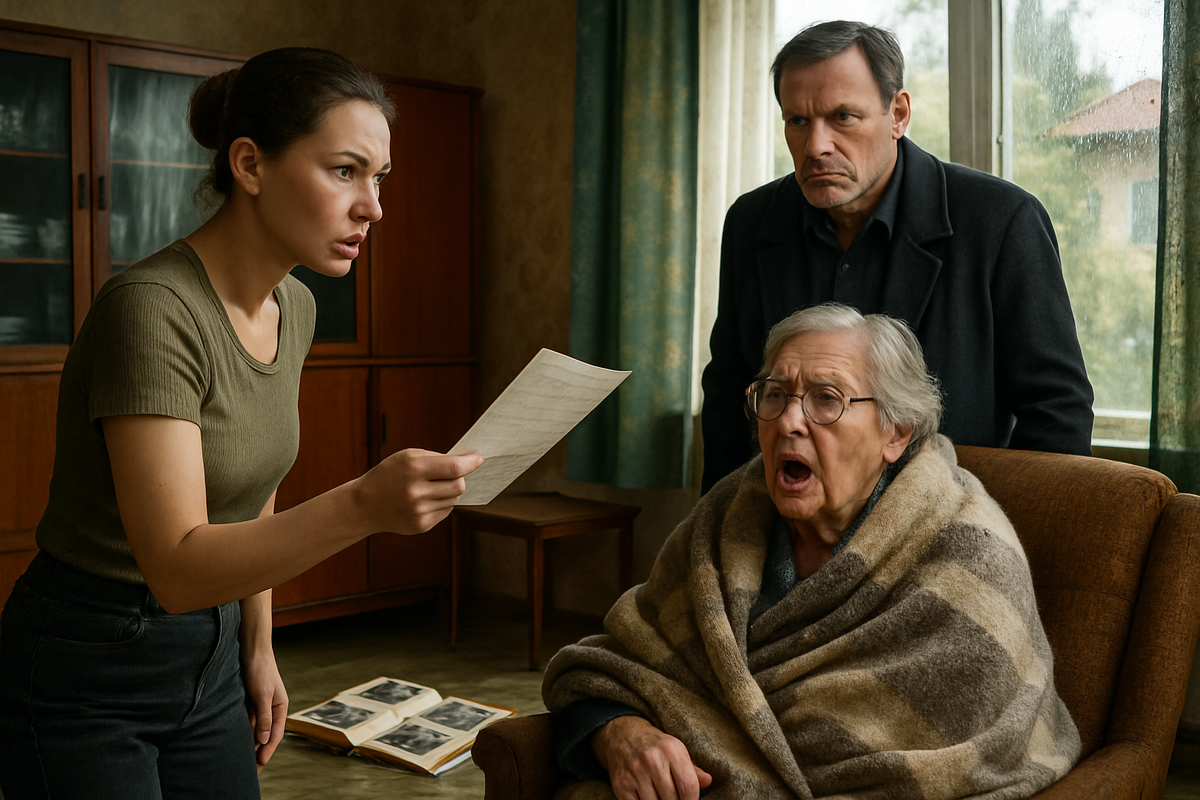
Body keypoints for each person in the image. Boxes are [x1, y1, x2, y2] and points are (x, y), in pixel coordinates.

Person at [0, 47, 483, 799]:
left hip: (213, 651)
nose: (373, 207)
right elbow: (177, 569)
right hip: (88, 662)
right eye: (345, 171)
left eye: (379, 177)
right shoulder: (151, 311)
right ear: (250, 165)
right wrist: (363, 505)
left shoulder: (295, 306)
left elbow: (252, 488)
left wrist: (257, 646)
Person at [545, 303, 1081, 800]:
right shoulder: (726, 518)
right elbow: (615, 664)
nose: (788, 421)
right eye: (774, 395)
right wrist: (621, 731)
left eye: (827, 398)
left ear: (895, 432)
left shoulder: (971, 556)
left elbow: (960, 761)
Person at [700, 20, 1094, 493]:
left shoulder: (1002, 220)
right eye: (798, 121)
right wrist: (719, 527)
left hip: (949, 519)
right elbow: (728, 400)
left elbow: (1057, 413)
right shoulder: (751, 222)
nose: (816, 146)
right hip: (786, 519)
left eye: (843, 117)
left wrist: (993, 531)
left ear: (899, 114)